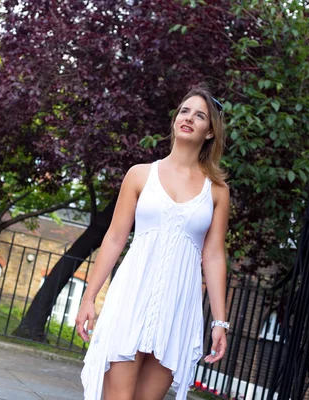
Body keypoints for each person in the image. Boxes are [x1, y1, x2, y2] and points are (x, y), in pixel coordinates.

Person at [76, 86, 230, 400]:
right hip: (131, 300)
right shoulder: (140, 175)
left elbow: (213, 257)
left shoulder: (217, 190)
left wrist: (219, 321)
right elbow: (116, 237)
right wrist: (88, 298)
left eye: (200, 115)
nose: (189, 118)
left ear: (210, 131)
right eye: (185, 111)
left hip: (177, 309)